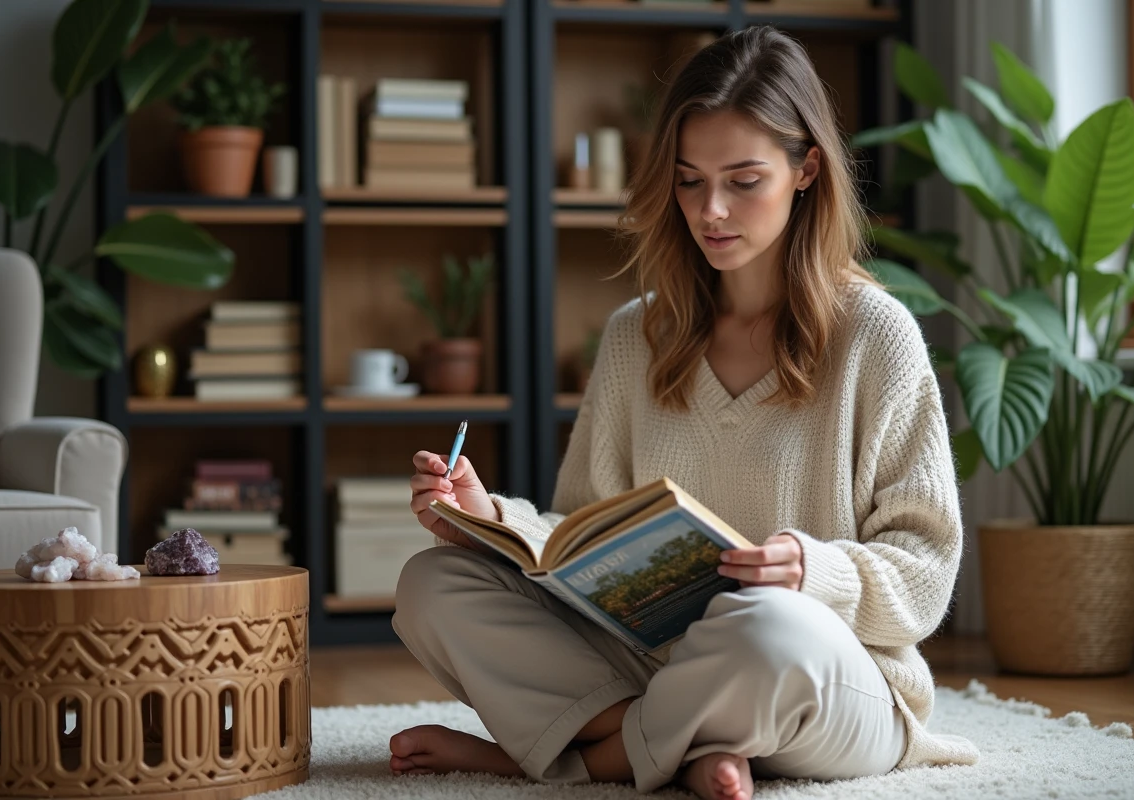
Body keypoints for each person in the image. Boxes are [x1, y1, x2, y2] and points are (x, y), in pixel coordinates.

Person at [390, 24, 979, 800]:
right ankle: (689, 748)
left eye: (743, 180)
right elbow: (579, 537)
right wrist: (489, 518)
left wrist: (816, 572)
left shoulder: (877, 337)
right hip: (659, 663)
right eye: (689, 180)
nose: (711, 210)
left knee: (765, 623)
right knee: (431, 584)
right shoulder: (638, 334)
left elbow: (929, 568)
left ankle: (594, 758)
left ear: (806, 171)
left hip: (826, 677)